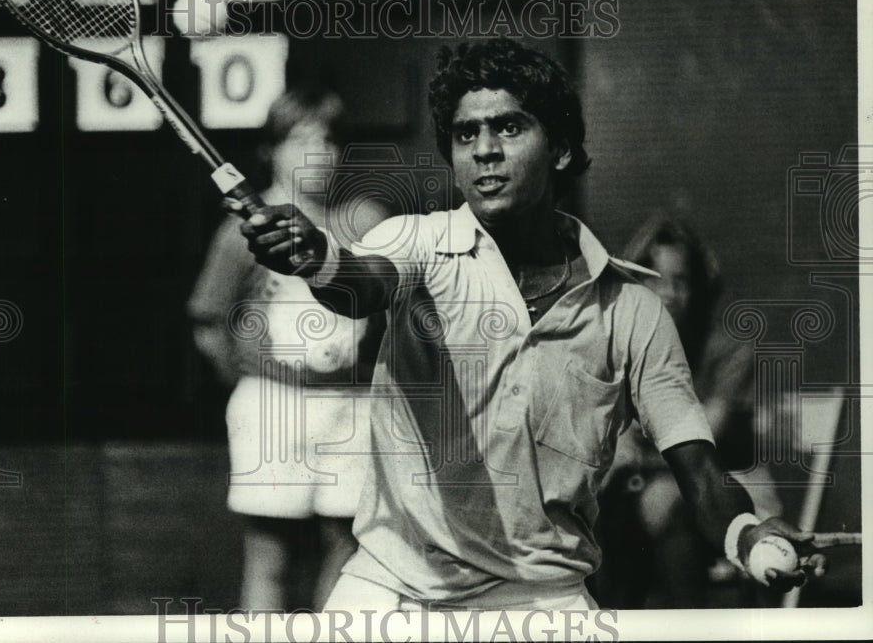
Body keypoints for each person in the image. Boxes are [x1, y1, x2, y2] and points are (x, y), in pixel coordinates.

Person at [231, 38, 825, 611]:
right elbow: (360, 283)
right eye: (467, 134)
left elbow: (696, 468)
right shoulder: (415, 242)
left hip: (543, 600)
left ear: (561, 148)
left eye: (509, 128)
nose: (485, 149)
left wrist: (747, 534)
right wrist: (318, 257)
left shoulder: (632, 309)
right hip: (391, 590)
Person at [188, 87, 386, 611]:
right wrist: (258, 382)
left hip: (353, 405)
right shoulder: (242, 232)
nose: (317, 154)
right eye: (300, 140)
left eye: (328, 140)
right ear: (271, 150)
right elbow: (209, 323)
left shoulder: (368, 220)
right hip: (272, 405)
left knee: (350, 551)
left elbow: (395, 308)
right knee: (269, 554)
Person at [590, 215, 782, 608]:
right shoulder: (623, 350)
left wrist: (630, 457)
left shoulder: (726, 349)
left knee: (660, 499)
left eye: (682, 281)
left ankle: (682, 617)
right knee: (597, 503)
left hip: (729, 487)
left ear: (700, 286)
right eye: (655, 280)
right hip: (646, 493)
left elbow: (699, 444)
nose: (670, 293)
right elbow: (616, 444)